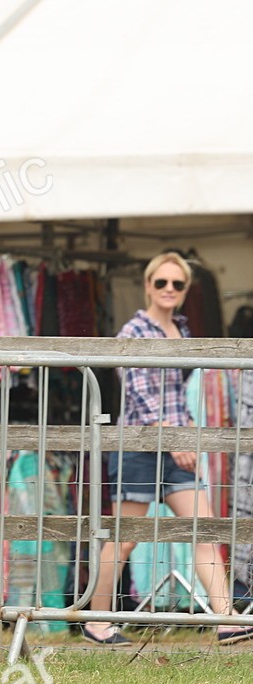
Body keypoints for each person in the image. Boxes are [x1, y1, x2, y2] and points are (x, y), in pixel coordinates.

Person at [85, 252, 253, 645]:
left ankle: (225, 618)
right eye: (161, 283)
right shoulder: (134, 330)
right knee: (125, 536)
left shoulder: (181, 326)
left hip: (178, 442)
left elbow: (176, 392)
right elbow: (140, 390)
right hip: (142, 445)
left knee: (203, 528)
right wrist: (172, 435)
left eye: (177, 284)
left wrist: (185, 432)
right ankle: (96, 621)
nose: (169, 290)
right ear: (147, 285)